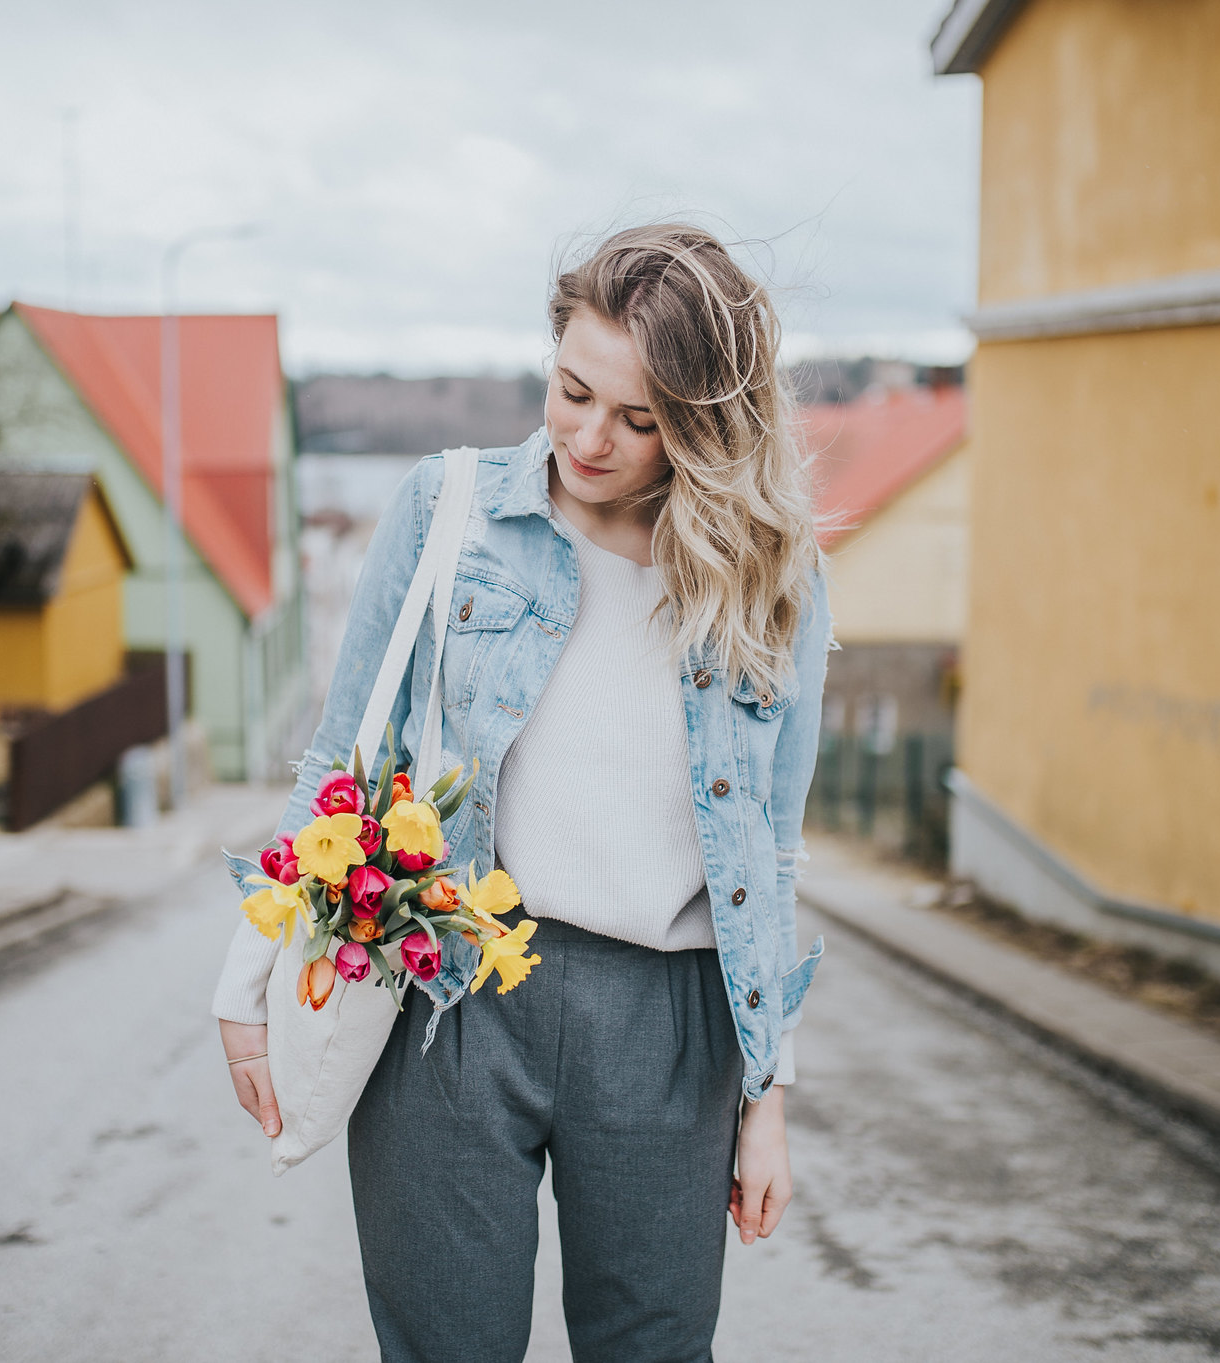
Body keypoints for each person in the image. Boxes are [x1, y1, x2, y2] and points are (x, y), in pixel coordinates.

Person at [213, 222, 830, 1363]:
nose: (591, 437)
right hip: (450, 995)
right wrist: (246, 977)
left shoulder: (769, 584)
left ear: (703, 426)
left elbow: (770, 861)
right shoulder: (446, 510)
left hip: (670, 1027)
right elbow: (341, 756)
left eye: (641, 420)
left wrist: (767, 1100)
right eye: (572, 390)